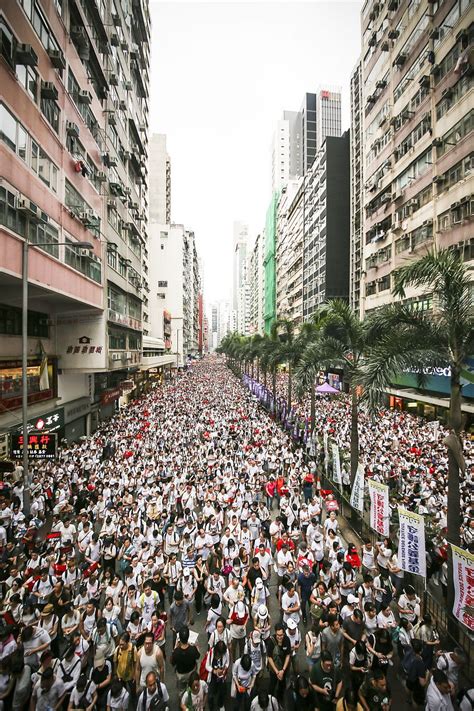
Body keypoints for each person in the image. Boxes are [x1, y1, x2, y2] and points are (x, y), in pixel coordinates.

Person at [170, 626, 200, 696]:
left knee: (181, 690)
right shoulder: (193, 649)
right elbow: (198, 656)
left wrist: (174, 649)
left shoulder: (176, 652)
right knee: (192, 688)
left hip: (181, 674)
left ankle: (182, 702)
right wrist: (197, 646)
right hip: (192, 672)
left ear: (179, 638)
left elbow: (172, 662)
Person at [266, 624, 291, 702]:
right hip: (274, 669)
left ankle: (280, 699)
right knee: (272, 686)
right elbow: (269, 657)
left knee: (282, 685)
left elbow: (288, 655)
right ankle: (270, 701)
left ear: (284, 633)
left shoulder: (287, 640)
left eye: (281, 635)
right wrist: (277, 672)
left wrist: (283, 670)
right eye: (277, 635)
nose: (279, 637)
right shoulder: (271, 641)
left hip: (283, 669)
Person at [402, 639, 429, 707]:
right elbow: (422, 683)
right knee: (416, 699)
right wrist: (428, 674)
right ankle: (414, 703)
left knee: (408, 687)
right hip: (416, 682)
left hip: (409, 677)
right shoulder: (419, 663)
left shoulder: (409, 651)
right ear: (421, 650)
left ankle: (408, 699)